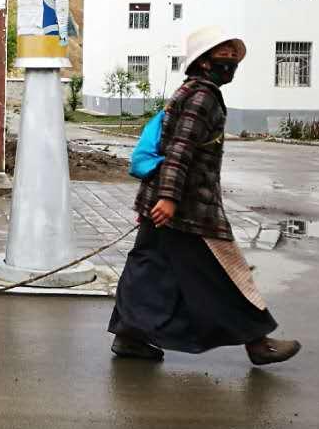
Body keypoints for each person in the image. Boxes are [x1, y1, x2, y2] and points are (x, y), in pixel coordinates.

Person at [109, 25, 302, 366]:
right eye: (222, 54)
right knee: (224, 272)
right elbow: (181, 149)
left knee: (148, 269)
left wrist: (161, 198)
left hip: (166, 201)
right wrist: (168, 199)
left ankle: (130, 337)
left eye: (232, 54)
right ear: (202, 62)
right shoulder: (204, 96)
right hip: (187, 208)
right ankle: (258, 343)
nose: (229, 61)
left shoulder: (189, 91)